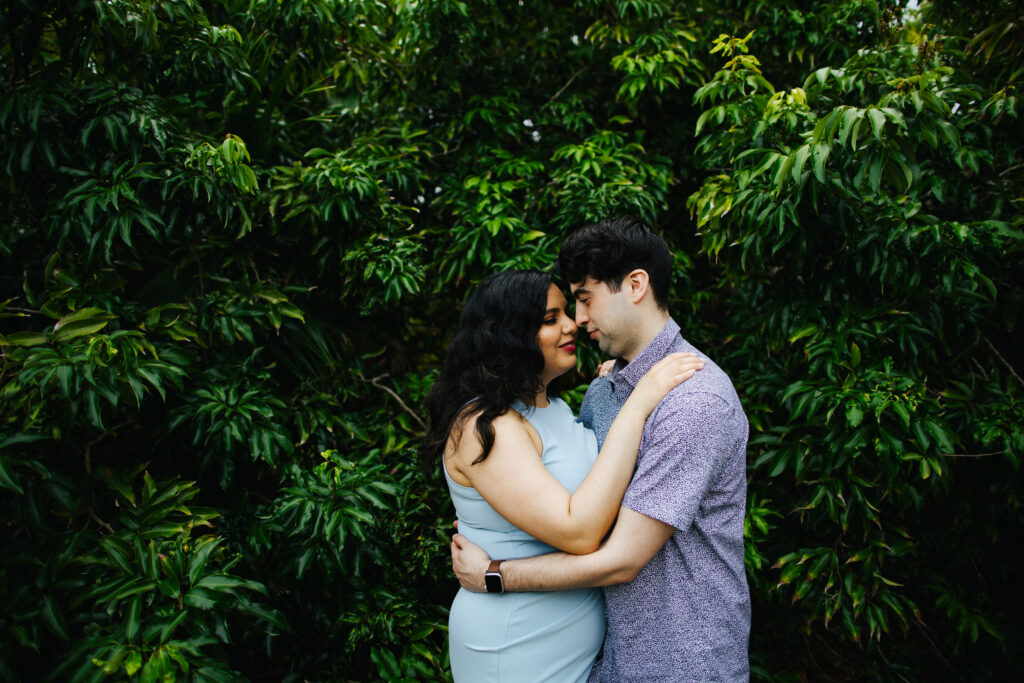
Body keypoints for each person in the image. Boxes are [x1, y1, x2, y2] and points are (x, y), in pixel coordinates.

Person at [451, 217, 751, 682]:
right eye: (566, 309)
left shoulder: (694, 401)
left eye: (585, 299)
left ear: (635, 285)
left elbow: (624, 558)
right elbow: (576, 490)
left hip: (683, 662)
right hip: (609, 662)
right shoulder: (603, 393)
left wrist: (496, 572)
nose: (579, 320)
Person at [426, 269, 705, 682]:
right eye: (550, 318)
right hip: (515, 644)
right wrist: (640, 402)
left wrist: (621, 388)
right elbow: (579, 531)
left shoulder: (552, 409)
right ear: (509, 334)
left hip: (569, 649)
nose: (572, 323)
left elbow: (596, 482)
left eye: (566, 313)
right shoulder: (482, 425)